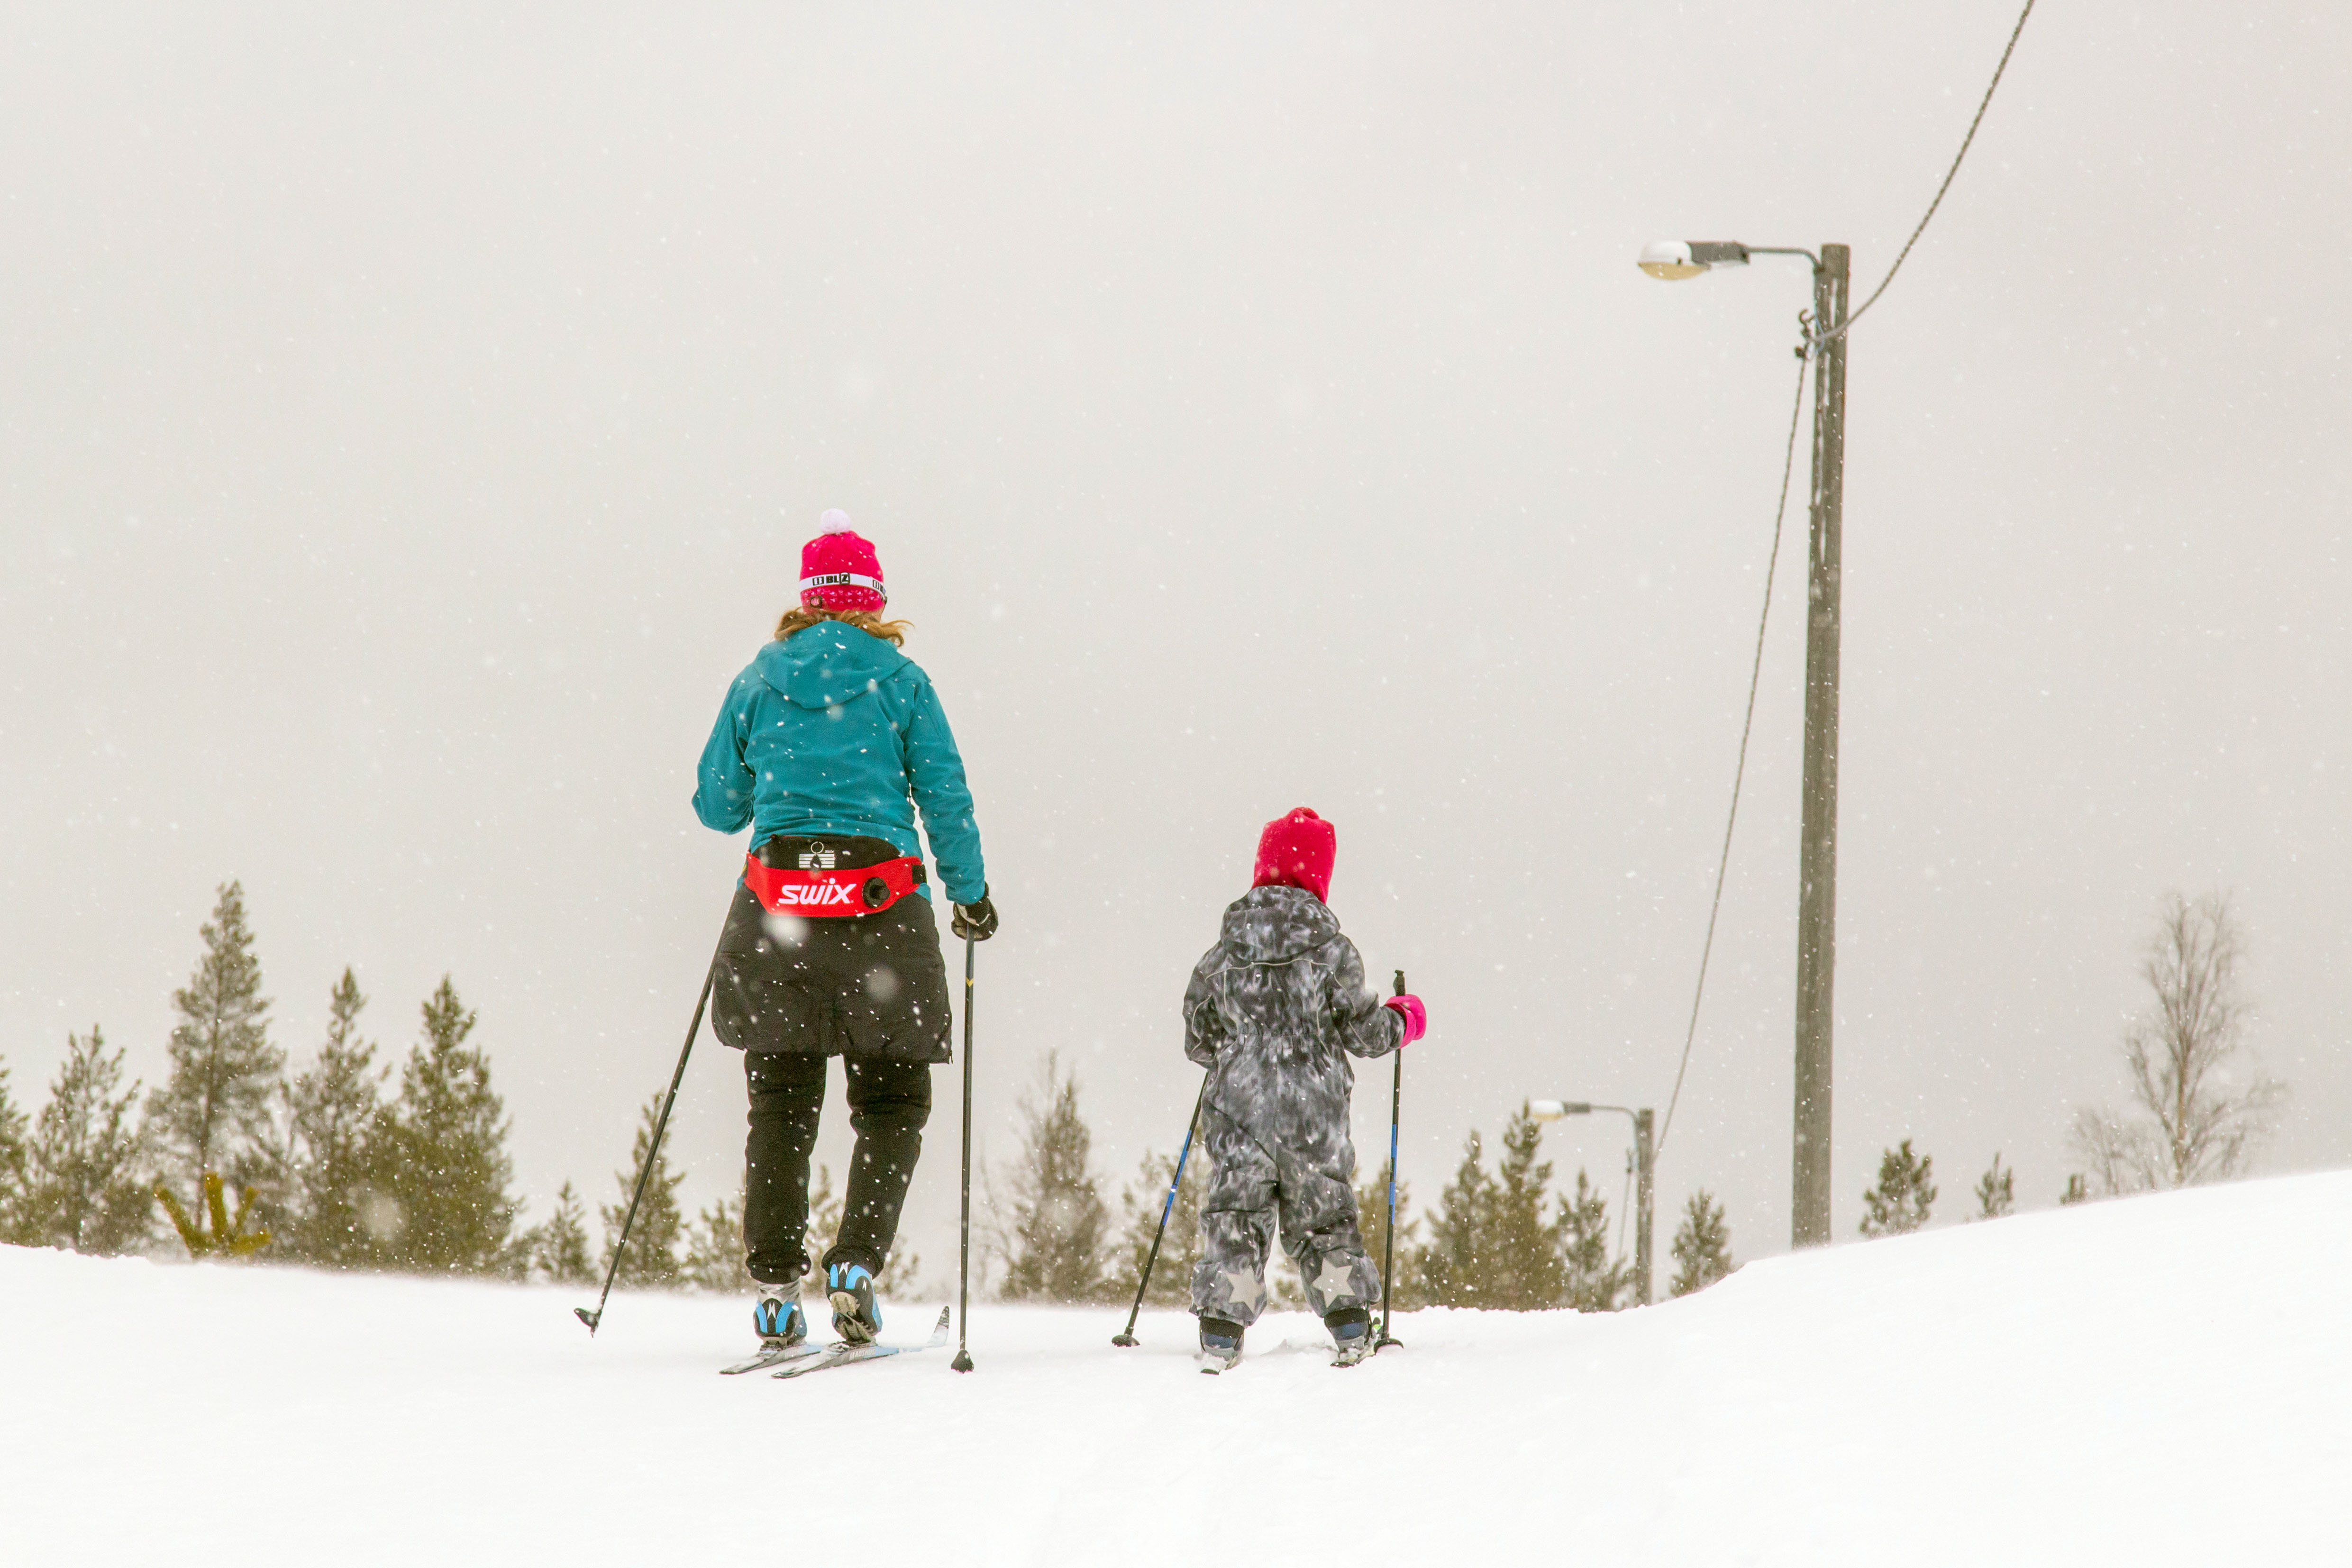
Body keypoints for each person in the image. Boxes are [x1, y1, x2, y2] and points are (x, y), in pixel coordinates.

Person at [693, 513, 996, 1349]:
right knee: (894, 1097)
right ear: (873, 601)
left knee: (781, 1100)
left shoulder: (758, 679)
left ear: (806, 600)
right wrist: (969, 894)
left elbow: (718, 805)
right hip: (881, 910)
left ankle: (774, 1286)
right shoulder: (902, 681)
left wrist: (775, 780)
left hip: (779, 907)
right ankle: (856, 1264)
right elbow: (945, 795)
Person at [1181, 807, 1427, 1371]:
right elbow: (1363, 1032)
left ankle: (1222, 1329)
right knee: (1323, 1214)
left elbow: (1198, 1034)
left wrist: (1231, 1053)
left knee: (1235, 1213)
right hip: (1312, 1114)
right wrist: (1403, 1018)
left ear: (1261, 867)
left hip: (1238, 1109)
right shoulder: (1332, 951)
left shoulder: (1222, 954)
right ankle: (1348, 1321)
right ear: (1320, 875)